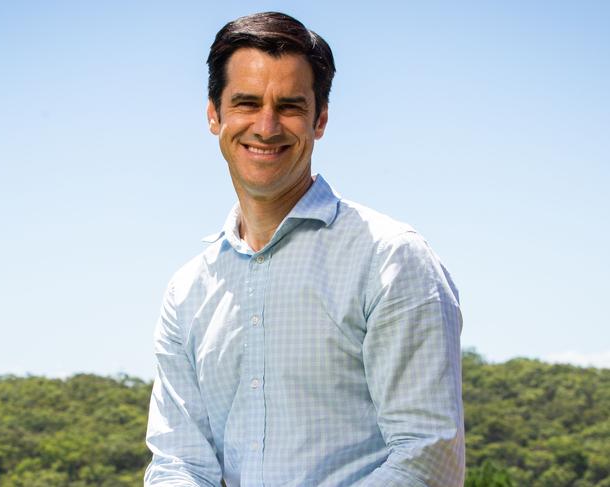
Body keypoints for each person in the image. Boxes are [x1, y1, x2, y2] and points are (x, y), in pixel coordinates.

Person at [145, 11, 464, 487]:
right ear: (214, 115)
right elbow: (178, 464)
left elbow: (428, 458)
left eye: (290, 106)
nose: (267, 126)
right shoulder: (187, 291)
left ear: (321, 119)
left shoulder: (389, 259)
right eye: (247, 103)